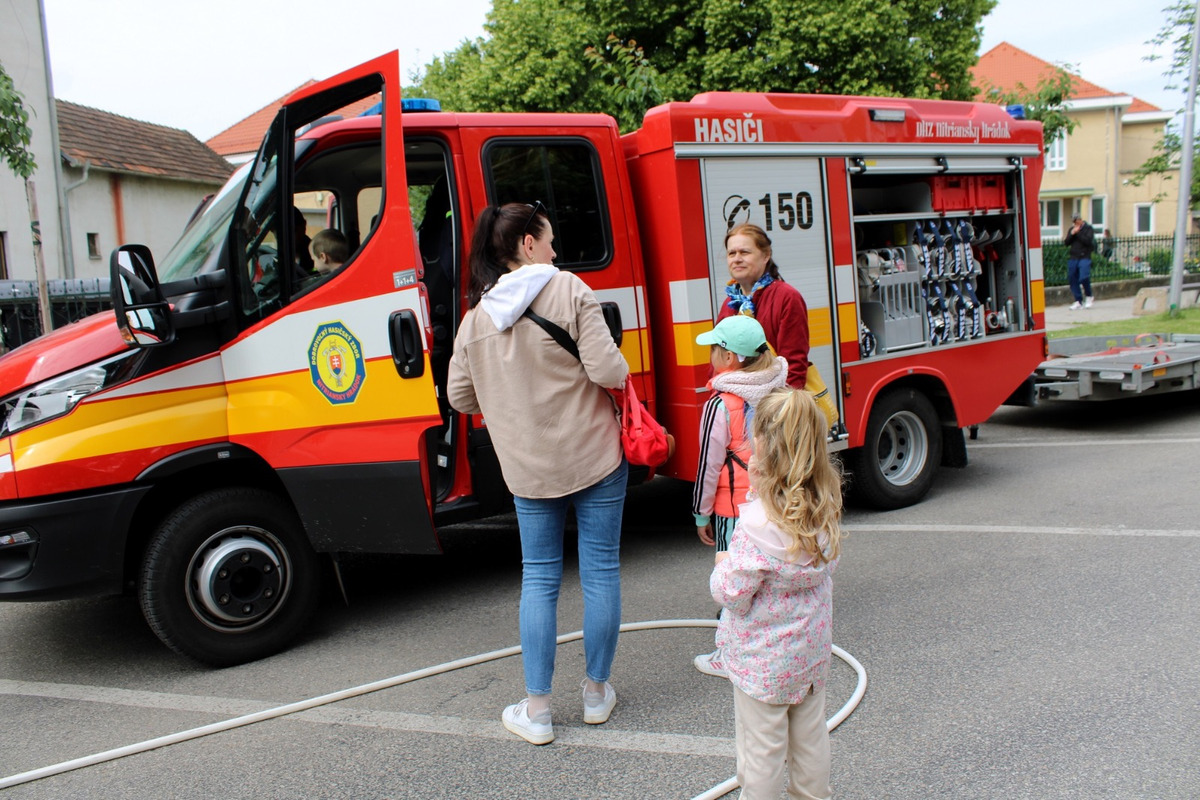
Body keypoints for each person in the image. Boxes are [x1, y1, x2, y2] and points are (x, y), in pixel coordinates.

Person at [447, 202, 630, 746]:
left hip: (529, 471)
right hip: (595, 455)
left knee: (539, 580)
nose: (554, 250)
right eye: (548, 240)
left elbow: (459, 396)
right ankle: (597, 695)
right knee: (600, 573)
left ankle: (539, 710)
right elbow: (607, 369)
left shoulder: (476, 318)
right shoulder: (569, 289)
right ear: (528, 243)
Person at [710, 386, 842, 800]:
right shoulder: (824, 509)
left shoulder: (755, 527)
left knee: (762, 751)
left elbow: (732, 593)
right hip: (809, 653)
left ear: (765, 450)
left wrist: (721, 566)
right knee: (810, 738)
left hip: (763, 665)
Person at [690, 314, 788, 678]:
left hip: (734, 509)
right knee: (767, 580)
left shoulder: (720, 404)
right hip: (775, 503)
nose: (712, 356)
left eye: (715, 349)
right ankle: (771, 648)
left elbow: (709, 465)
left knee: (734, 583)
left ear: (730, 358)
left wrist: (701, 514)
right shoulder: (781, 390)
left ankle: (729, 655)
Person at [718, 224, 809, 389]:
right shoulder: (729, 304)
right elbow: (718, 362)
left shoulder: (787, 297)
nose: (737, 259)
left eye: (744, 252)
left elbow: (793, 366)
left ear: (766, 255)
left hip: (775, 403)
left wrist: (784, 410)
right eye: (732, 253)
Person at [1064, 215, 1096, 310]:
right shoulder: (1072, 229)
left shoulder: (1088, 229)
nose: (1075, 224)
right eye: (1074, 222)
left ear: (1080, 220)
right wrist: (1072, 234)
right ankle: (1078, 300)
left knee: (1084, 277)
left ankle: (1089, 296)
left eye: (1076, 221)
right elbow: (1066, 243)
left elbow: (1088, 241)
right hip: (1074, 256)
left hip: (1084, 256)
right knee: (1072, 278)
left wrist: (1078, 233)